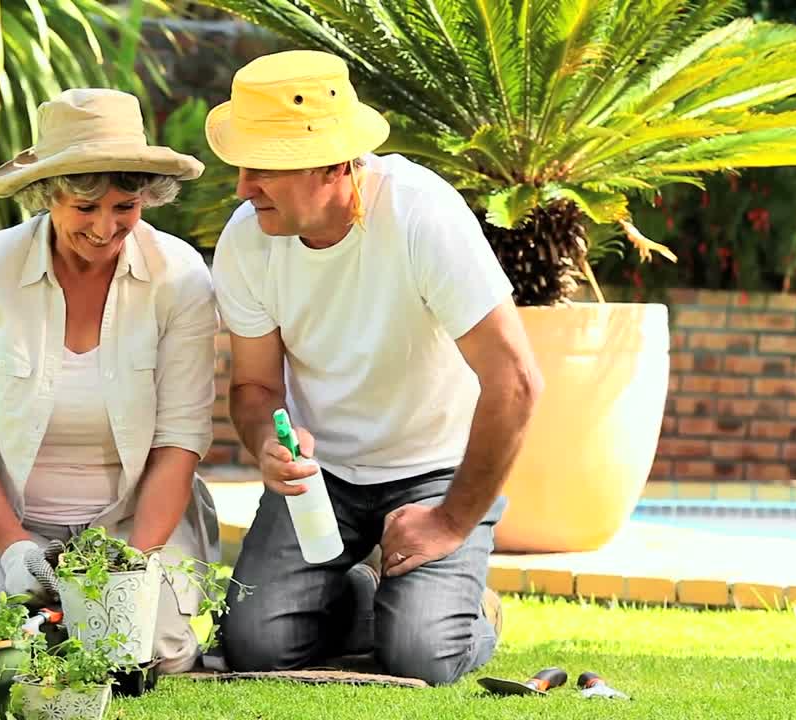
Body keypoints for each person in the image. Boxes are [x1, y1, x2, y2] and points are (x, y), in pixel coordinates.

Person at [206, 50, 544, 686]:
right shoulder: (247, 238)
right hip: (321, 479)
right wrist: (265, 444)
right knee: (255, 647)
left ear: (336, 165)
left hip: (433, 472)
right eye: (243, 165)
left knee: (422, 655)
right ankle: (379, 596)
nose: (243, 188)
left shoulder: (422, 214)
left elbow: (517, 382)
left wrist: (449, 521)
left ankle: (469, 611)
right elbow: (253, 387)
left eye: (265, 169)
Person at [0, 88, 220, 674]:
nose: (107, 229)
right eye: (86, 209)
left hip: (131, 526)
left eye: (125, 207)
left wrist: (127, 568)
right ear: (48, 195)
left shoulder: (179, 275)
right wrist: (14, 548)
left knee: (150, 652)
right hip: (8, 523)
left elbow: (180, 440)